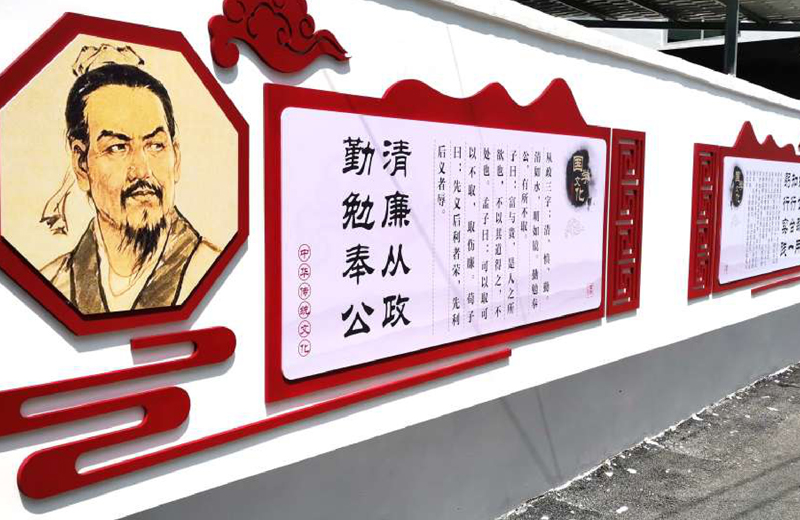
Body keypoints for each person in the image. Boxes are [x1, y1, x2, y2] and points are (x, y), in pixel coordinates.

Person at [40, 45, 219, 314]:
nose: (142, 170)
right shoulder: (52, 287)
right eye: (117, 147)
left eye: (156, 145)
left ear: (176, 157)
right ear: (81, 164)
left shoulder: (211, 272)